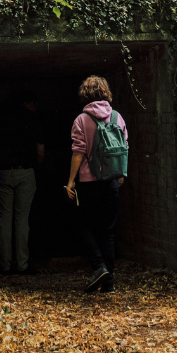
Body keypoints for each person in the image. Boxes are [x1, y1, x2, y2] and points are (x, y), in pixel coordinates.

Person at [64, 75, 127, 293]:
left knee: (83, 226)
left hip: (89, 184)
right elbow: (124, 147)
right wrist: (120, 175)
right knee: (107, 231)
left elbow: (78, 152)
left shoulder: (81, 120)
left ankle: (99, 266)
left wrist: (71, 181)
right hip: (111, 182)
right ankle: (108, 284)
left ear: (85, 95)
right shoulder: (118, 117)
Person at [0, 96, 46, 275]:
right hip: (25, 172)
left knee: (4, 219)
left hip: (3, 173)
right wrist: (36, 168)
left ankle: (5, 265)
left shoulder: (1, 117)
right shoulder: (33, 119)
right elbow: (40, 151)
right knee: (22, 220)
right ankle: (22, 264)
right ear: (30, 102)